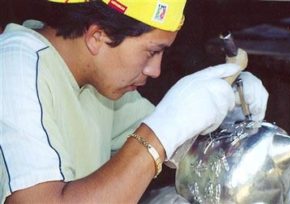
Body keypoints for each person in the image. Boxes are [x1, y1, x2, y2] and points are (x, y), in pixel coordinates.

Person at [0, 0, 268, 203]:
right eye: (152, 52)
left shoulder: (101, 84)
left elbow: (175, 148)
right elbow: (155, 139)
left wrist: (224, 124)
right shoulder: (16, 67)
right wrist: (160, 133)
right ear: (98, 36)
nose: (155, 70)